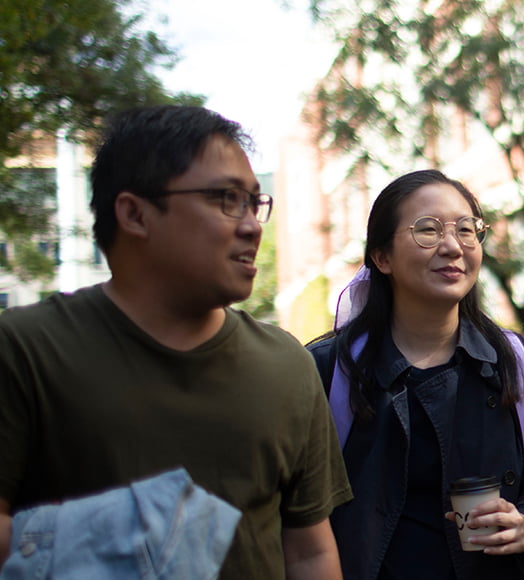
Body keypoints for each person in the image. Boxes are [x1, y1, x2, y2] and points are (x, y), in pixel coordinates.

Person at [0, 105, 352, 578]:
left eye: (253, 203)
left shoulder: (287, 364)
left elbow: (309, 550)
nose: (250, 225)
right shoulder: (25, 350)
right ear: (134, 213)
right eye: (225, 199)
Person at [306, 169, 524, 579]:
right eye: (427, 230)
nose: (452, 246)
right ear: (382, 257)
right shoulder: (328, 370)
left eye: (467, 229)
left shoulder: (516, 362)